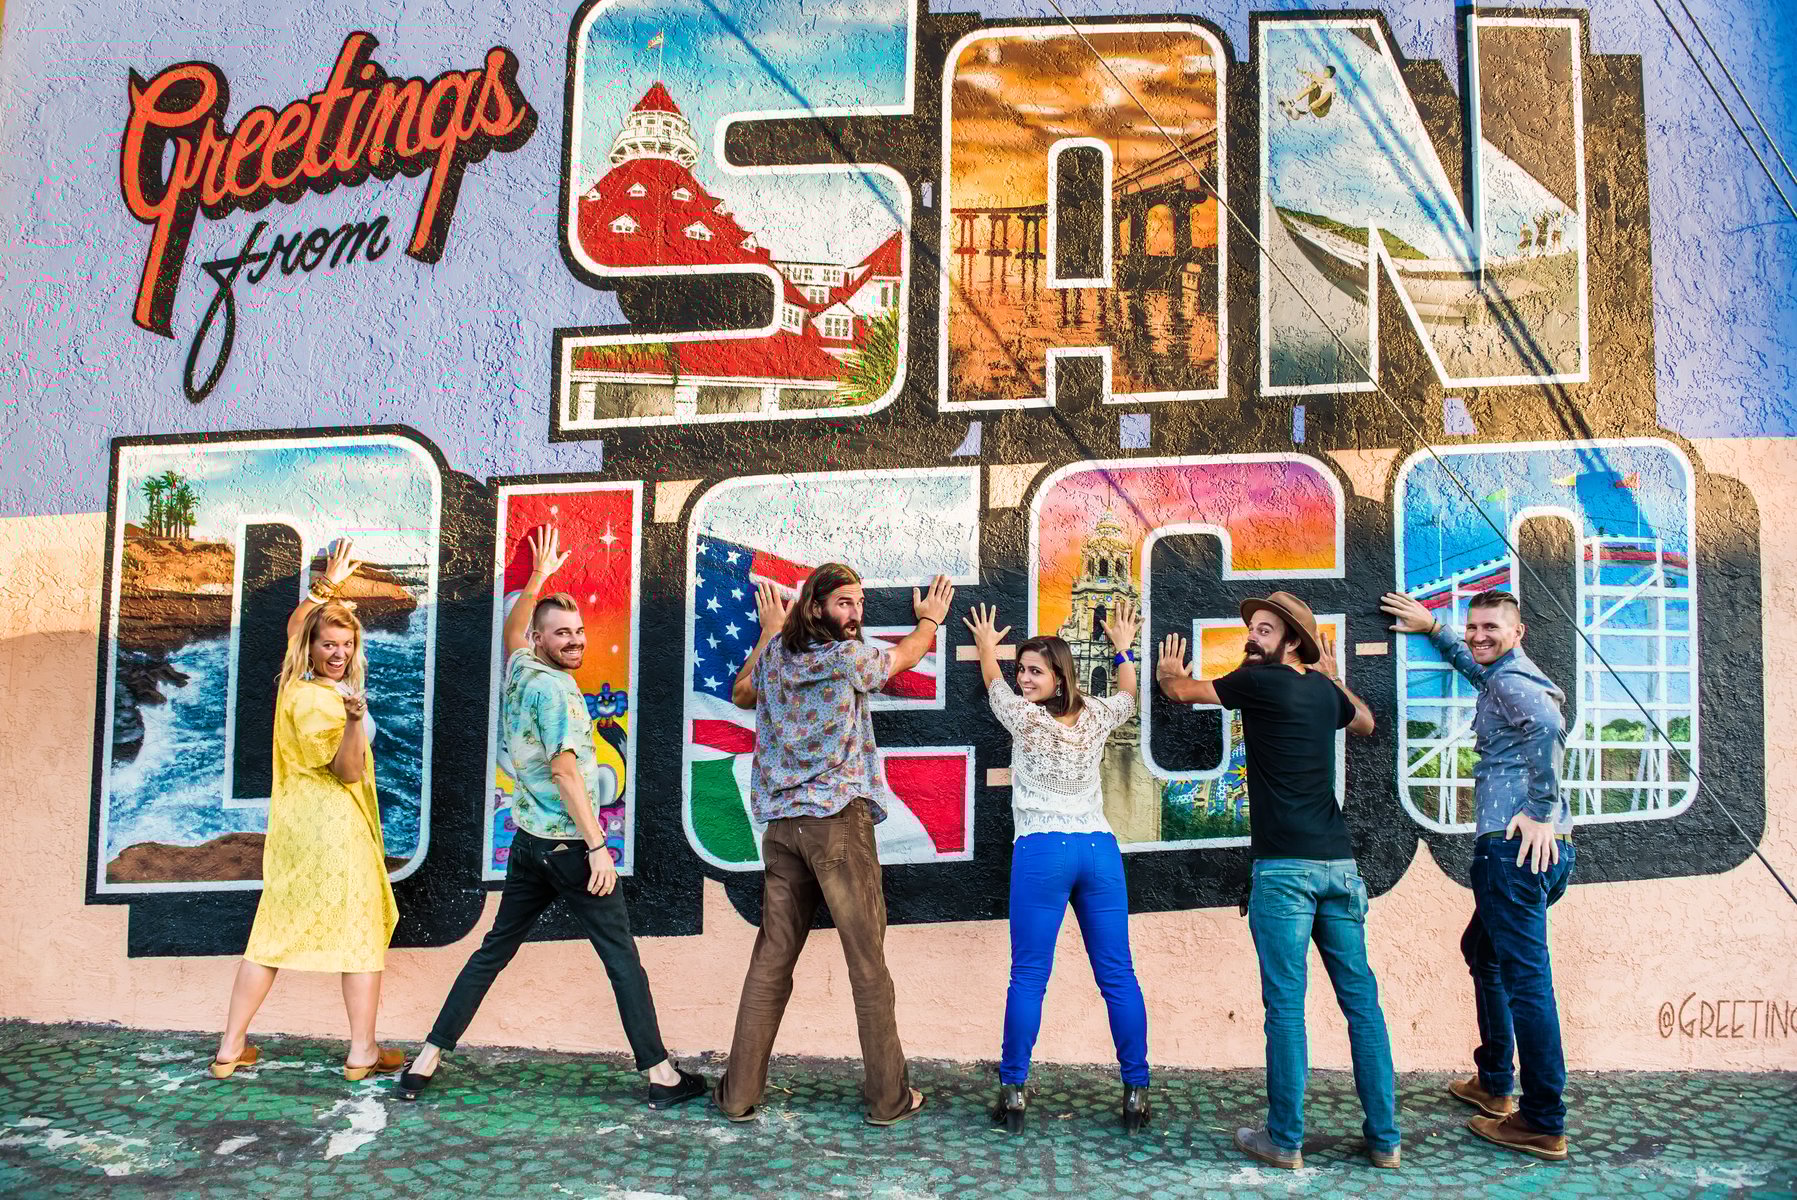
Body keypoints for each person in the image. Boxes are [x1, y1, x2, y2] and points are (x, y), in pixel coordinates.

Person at [397, 527, 705, 1107]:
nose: (576, 641)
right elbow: (566, 773)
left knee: (492, 951)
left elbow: (512, 631)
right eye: (562, 633)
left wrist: (538, 578)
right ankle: (662, 1075)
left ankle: (426, 1060)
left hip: (528, 845)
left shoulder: (521, 668)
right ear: (542, 640)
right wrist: (598, 847)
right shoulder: (557, 692)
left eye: (579, 631)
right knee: (622, 960)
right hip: (569, 848)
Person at [1156, 592, 1399, 1170]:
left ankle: (1285, 1140)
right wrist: (1333, 678)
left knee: (1286, 1008)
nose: (1252, 637)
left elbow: (1182, 692)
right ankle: (1385, 1140)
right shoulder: (1322, 691)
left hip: (1285, 872)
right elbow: (1365, 722)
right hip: (1340, 869)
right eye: (1254, 628)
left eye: (1265, 630)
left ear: (1292, 642)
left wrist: (1166, 673)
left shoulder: (1257, 681)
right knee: (1362, 1006)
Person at [713, 564, 954, 1126]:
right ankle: (889, 1099)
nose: (856, 613)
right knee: (867, 963)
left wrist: (769, 632)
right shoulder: (846, 657)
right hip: (838, 824)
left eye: (860, 603)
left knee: (771, 960)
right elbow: (904, 658)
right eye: (845, 602)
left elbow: (742, 693)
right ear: (816, 606)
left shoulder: (777, 655)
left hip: (782, 829)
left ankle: (737, 1096)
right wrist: (929, 620)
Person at [1381, 588, 1574, 1162]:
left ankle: (1542, 1120)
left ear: (1518, 633)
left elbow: (1548, 727)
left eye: (1492, 627)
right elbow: (1478, 669)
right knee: (1482, 951)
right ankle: (1494, 1082)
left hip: (1512, 852)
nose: (1479, 635)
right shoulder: (1505, 676)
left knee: (1527, 981)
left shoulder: (1514, 682)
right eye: (1474, 626)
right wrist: (1435, 630)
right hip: (1533, 854)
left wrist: (1540, 809)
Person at [210, 538, 403, 1082]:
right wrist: (354, 722)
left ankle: (230, 1047)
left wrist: (326, 587)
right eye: (329, 645)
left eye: (347, 644)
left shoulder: (295, 686)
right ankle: (362, 1052)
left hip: (295, 826)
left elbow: (296, 625)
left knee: (272, 931)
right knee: (360, 934)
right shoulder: (325, 702)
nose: (339, 653)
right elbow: (346, 771)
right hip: (335, 826)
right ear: (312, 650)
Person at [964, 600, 1152, 1135]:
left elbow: (992, 682)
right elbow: (1128, 694)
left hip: (1043, 851)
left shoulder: (1025, 718)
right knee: (1117, 974)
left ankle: (1013, 1090)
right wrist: (1122, 649)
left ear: (1059, 677)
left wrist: (987, 647)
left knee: (1028, 975)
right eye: (1022, 669)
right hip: (1098, 851)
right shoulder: (1095, 715)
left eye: (1035, 672)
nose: (1023, 679)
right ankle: (1136, 1092)